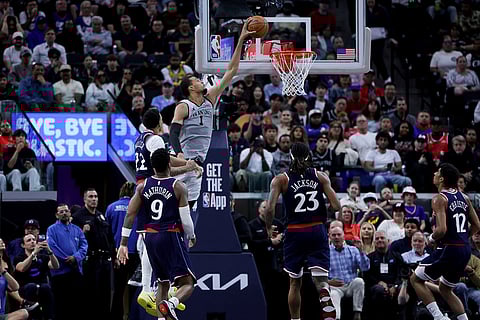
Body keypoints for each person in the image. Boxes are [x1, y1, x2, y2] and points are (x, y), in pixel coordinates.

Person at [170, 20, 254, 208]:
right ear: (191, 87)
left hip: (198, 165)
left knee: (188, 211)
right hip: (181, 163)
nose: (202, 81)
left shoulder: (211, 98)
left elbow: (231, 71)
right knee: (173, 210)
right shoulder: (184, 106)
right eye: (197, 81)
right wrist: (180, 154)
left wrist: (241, 39)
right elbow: (173, 132)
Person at [117, 149, 196, 320]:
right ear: (169, 163)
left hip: (150, 237)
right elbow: (186, 219)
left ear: (152, 166)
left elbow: (130, 214)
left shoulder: (142, 187)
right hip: (170, 235)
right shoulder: (178, 186)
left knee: (162, 282)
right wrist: (191, 235)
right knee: (188, 283)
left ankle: (161, 317)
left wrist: (123, 243)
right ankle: (171, 304)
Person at [265, 142, 341, 320]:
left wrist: (269, 227)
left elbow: (269, 209)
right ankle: (323, 289)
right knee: (321, 279)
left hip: (295, 231)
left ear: (290, 156)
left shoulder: (281, 179)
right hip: (317, 229)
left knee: (294, 282)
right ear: (309, 156)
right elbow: (337, 205)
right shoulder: (320, 176)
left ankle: (295, 319)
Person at [411, 163, 480, 320]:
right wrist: (461, 238)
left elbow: (441, 230)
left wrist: (430, 238)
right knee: (445, 289)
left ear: (441, 178)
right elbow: (477, 226)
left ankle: (439, 318)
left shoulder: (439, 199)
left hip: (448, 248)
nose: (434, 173)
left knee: (415, 279)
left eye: (437, 172)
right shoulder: (465, 198)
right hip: (464, 249)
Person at [72, 189, 116, 319]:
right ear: (85, 199)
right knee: (91, 293)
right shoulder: (78, 217)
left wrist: (114, 256)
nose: (94, 199)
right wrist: (82, 231)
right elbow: (73, 240)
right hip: (89, 261)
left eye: (96, 196)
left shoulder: (100, 215)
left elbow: (109, 237)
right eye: (91, 196)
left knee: (106, 294)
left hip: (105, 260)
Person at [47, 203, 88, 320]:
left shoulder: (77, 230)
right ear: (56, 215)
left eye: (66, 211)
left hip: (76, 271)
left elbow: (84, 245)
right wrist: (67, 258)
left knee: (76, 305)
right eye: (61, 212)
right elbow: (52, 246)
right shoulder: (51, 229)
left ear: (70, 213)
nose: (64, 213)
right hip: (60, 273)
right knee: (61, 305)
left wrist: (76, 257)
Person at [105, 182, 139, 320]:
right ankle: (131, 316)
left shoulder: (111, 207)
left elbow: (107, 233)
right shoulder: (137, 207)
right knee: (135, 288)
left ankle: (116, 317)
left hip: (119, 253)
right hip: (135, 252)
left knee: (118, 289)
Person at [329, 226, 370, 320]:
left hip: (351, 284)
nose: (336, 237)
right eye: (333, 235)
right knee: (333, 294)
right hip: (336, 286)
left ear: (344, 236)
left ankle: (357, 313)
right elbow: (320, 275)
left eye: (339, 234)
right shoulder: (326, 252)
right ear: (330, 237)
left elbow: (365, 268)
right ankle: (336, 318)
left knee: (359, 281)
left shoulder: (353, 250)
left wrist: (360, 251)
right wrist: (329, 282)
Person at [14, 233, 58, 320]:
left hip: (42, 287)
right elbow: (21, 268)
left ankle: (49, 317)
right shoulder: (19, 257)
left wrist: (50, 252)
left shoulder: (43, 257)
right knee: (31, 287)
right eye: (29, 240)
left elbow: (56, 266)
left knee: (46, 287)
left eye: (34, 240)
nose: (32, 242)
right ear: (23, 245)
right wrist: (33, 254)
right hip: (26, 288)